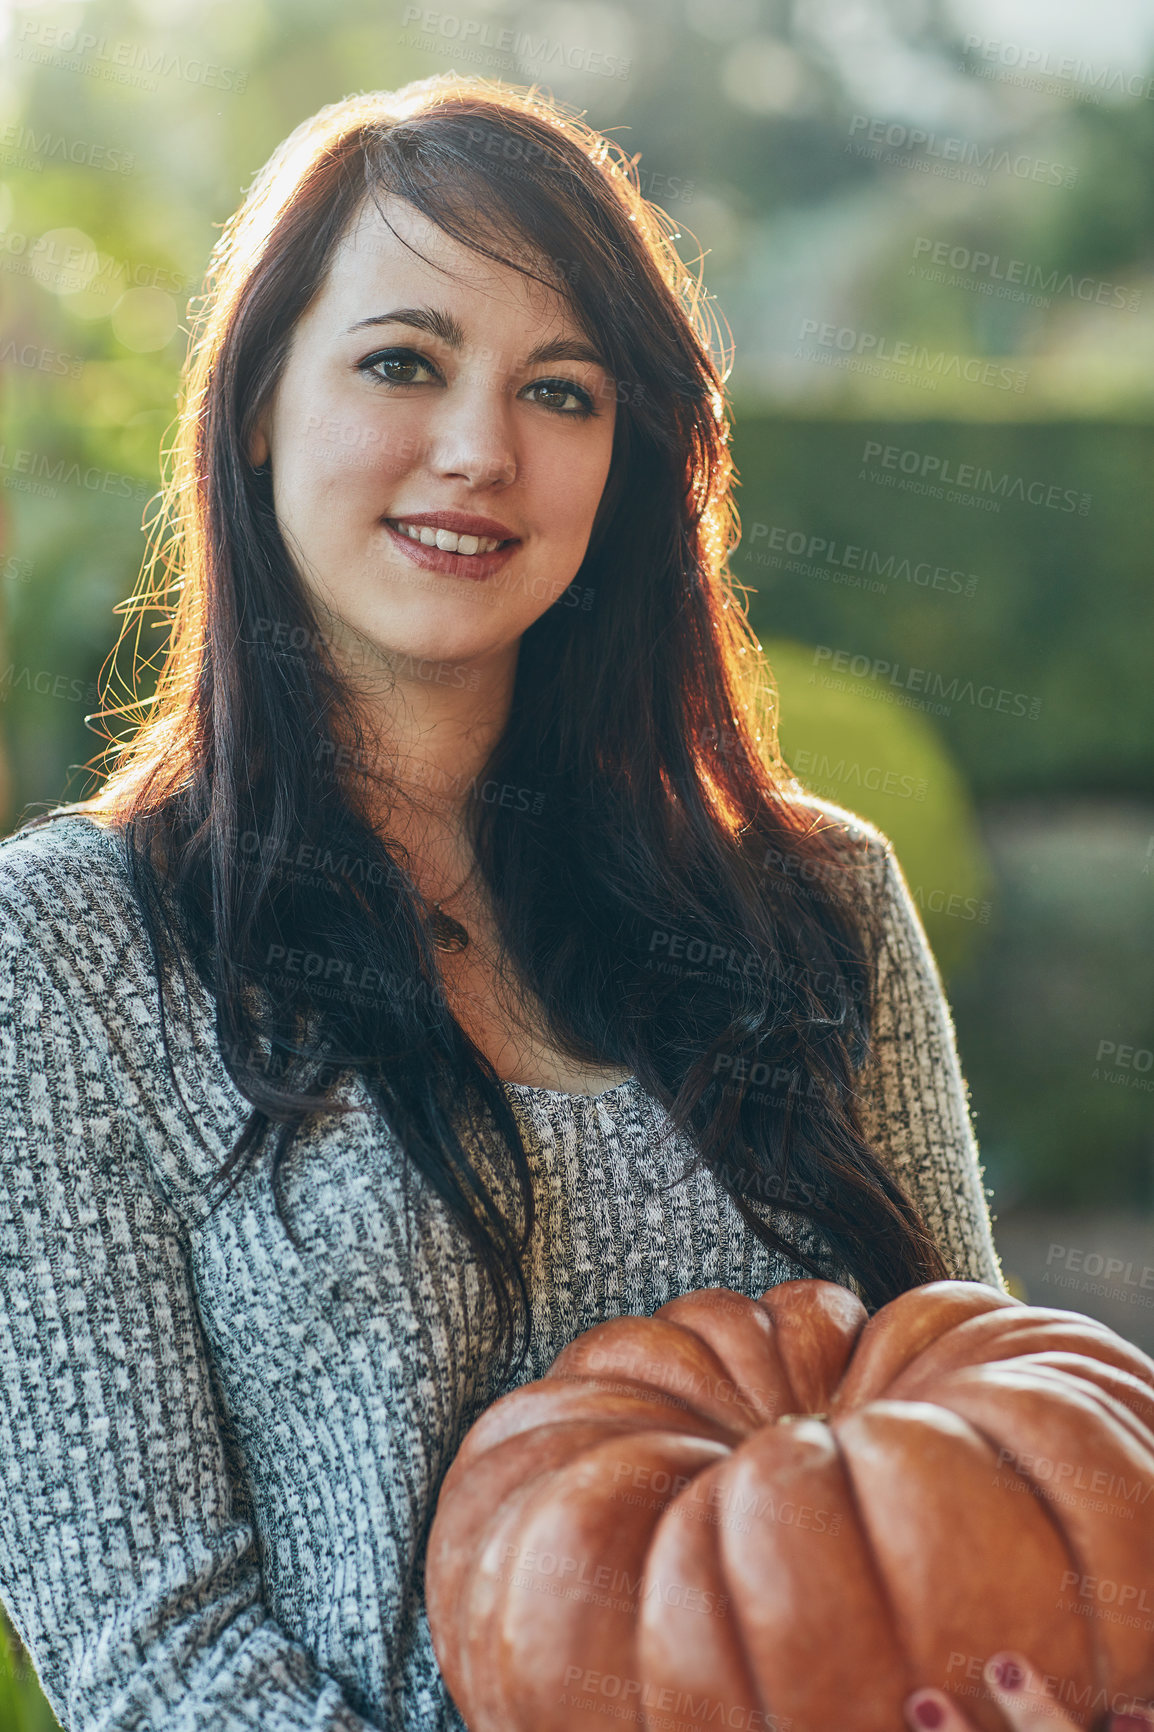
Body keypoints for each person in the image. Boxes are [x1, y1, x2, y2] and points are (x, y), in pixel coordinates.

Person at [1, 72, 1134, 1732]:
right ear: (255, 404)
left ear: (631, 457)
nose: (479, 451)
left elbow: (968, 1425)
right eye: (402, 362)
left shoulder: (817, 899)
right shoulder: (71, 948)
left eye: (562, 391)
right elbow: (146, 1643)